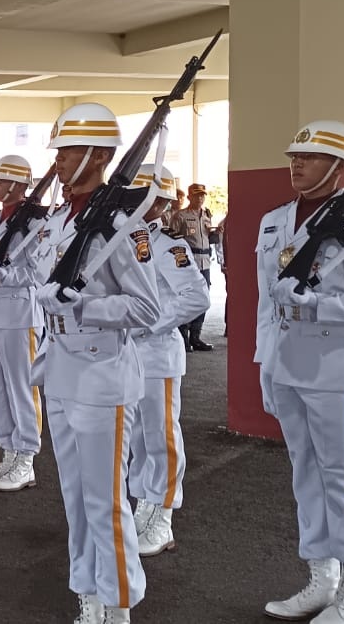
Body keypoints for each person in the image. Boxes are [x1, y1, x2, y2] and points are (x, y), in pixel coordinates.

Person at [31, 102, 161, 624]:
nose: (59, 160)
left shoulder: (124, 226)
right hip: (60, 371)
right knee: (75, 499)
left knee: (107, 504)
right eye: (59, 150)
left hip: (102, 376)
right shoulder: (63, 219)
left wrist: (86, 304)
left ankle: (119, 603)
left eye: (68, 151)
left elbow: (149, 308)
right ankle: (88, 590)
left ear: (100, 155)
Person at [256, 120, 344, 624]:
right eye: (294, 155)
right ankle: (321, 578)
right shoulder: (274, 222)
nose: (296, 163)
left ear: (339, 168)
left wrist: (316, 304)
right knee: (305, 473)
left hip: (337, 369)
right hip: (287, 364)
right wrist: (265, 364)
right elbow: (267, 305)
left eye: (308, 157)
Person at [123, 165, 210, 558]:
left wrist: (146, 324)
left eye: (146, 196)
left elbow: (196, 298)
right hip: (124, 355)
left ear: (160, 203)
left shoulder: (169, 246)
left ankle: (164, 515)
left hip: (157, 353)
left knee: (161, 437)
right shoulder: (119, 242)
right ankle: (144, 502)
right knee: (138, 439)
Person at [0, 155, 45, 492]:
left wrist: (9, 274)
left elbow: (41, 270)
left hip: (20, 312)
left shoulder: (36, 223)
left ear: (17, 185)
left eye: (0, 181)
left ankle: (27, 457)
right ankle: (9, 451)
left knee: (22, 388)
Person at [171, 183, 217, 351]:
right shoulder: (180, 216)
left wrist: (215, 234)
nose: (200, 198)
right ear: (190, 197)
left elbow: (207, 237)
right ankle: (183, 336)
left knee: (203, 299)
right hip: (188, 263)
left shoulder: (206, 215)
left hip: (205, 261)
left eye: (202, 195)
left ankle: (196, 336)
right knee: (187, 298)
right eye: (197, 195)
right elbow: (172, 240)